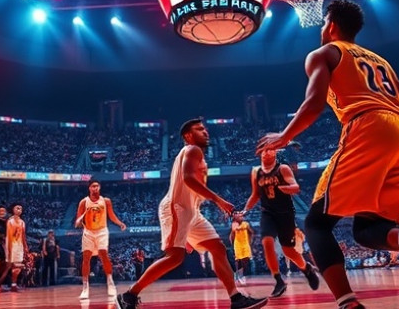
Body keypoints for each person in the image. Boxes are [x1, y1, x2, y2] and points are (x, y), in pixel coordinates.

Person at [256, 0, 399, 308]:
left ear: (331, 25)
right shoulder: (381, 62)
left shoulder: (324, 53)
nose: (321, 29)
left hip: (370, 126)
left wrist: (284, 136)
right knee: (367, 229)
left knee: (317, 224)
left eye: (323, 24)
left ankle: (348, 303)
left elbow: (314, 103)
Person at [116, 118, 267, 309]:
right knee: (175, 257)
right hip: (177, 207)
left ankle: (236, 298)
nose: (205, 132)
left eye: (205, 129)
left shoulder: (198, 156)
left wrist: (188, 232)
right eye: (199, 129)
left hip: (191, 212)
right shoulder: (192, 149)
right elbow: (188, 179)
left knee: (218, 248)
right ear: (188, 136)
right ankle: (129, 296)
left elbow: (193, 191)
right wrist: (219, 200)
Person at [242, 149, 320, 297]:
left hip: (285, 213)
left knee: (288, 250)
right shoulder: (256, 171)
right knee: (267, 242)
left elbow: (295, 187)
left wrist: (286, 188)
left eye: (270, 150)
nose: (266, 152)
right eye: (264, 150)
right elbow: (255, 195)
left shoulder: (282, 168)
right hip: (268, 213)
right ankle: (278, 280)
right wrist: (245, 210)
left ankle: (306, 269)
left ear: (275, 153)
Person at [75, 180, 127, 299]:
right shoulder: (84, 202)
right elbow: (77, 222)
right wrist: (80, 220)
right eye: (93, 186)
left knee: (103, 254)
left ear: (100, 187)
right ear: (89, 188)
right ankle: (85, 287)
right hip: (88, 232)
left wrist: (120, 223)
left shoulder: (106, 201)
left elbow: (111, 215)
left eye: (97, 186)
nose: (95, 188)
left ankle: (110, 282)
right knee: (86, 258)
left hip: (102, 231)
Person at [5, 203, 28, 292]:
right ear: (13, 209)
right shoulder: (10, 221)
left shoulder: (22, 222)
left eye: (20, 209)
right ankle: (6, 284)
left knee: (18, 266)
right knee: (11, 266)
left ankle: (14, 284)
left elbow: (23, 235)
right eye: (17, 208)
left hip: (19, 246)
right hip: (12, 245)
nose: (19, 210)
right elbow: (9, 236)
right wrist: (9, 248)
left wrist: (25, 246)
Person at [229, 212, 254, 285]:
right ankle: (239, 275)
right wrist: (232, 243)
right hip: (238, 244)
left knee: (246, 259)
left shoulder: (246, 224)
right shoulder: (234, 224)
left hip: (245, 244)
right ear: (236, 218)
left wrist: (250, 241)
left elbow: (251, 232)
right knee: (238, 260)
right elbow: (231, 235)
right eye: (240, 216)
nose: (242, 217)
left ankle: (239, 273)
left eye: (242, 216)